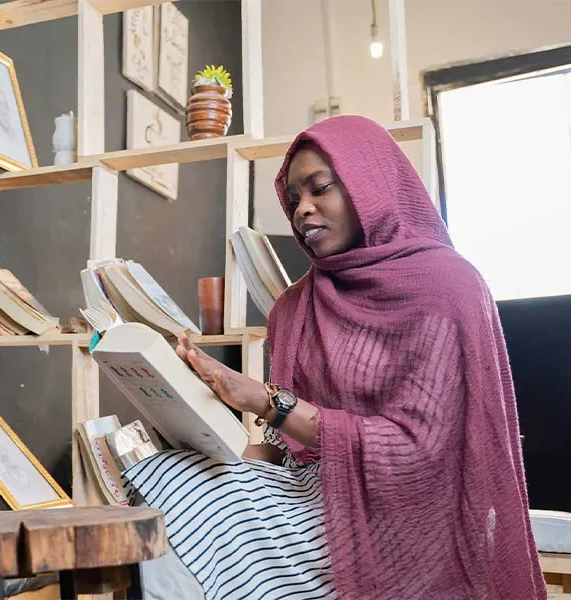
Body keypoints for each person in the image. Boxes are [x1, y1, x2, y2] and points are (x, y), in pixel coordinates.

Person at [127, 115, 546, 600]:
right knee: (168, 479)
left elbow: (420, 449)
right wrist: (212, 449)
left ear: (370, 185)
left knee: (191, 508)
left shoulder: (448, 288)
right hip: (314, 493)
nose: (303, 209)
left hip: (415, 513)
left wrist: (267, 402)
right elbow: (281, 451)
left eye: (320, 188)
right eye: (292, 200)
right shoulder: (295, 307)